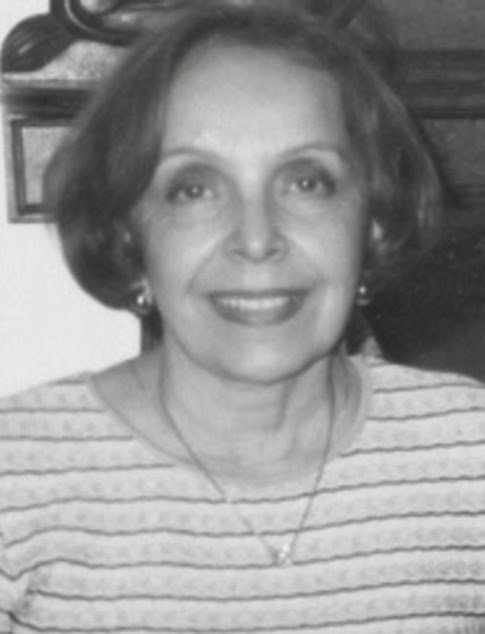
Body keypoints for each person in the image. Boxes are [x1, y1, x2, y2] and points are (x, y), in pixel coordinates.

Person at [1, 2, 484, 632]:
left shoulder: (467, 453)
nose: (256, 240)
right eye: (194, 189)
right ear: (128, 234)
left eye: (307, 182)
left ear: (373, 220)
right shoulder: (19, 477)